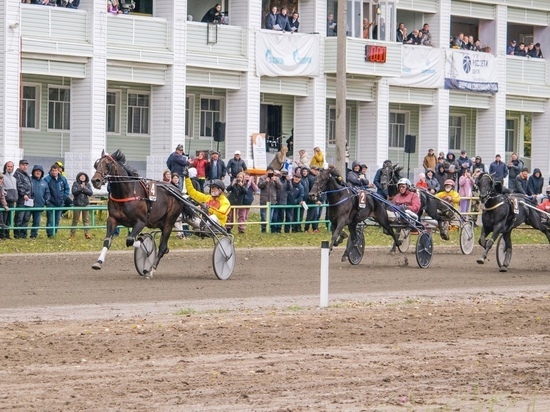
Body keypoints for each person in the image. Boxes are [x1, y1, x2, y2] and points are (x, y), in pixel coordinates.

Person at [44, 163, 69, 238]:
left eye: (56, 170)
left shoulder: (63, 179)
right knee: (50, 220)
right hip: (51, 203)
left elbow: (67, 189)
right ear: (51, 171)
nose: (54, 172)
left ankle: (55, 233)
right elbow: (45, 190)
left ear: (58, 171)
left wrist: (63, 197)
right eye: (53, 170)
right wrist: (47, 200)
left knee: (57, 219)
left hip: (60, 202)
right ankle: (50, 234)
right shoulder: (47, 179)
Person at [258, 166, 281, 233]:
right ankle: (263, 229)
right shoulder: (262, 178)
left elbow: (280, 187)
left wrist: (275, 181)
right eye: (268, 171)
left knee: (270, 216)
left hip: (272, 200)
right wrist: (266, 181)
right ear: (266, 171)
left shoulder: (276, 178)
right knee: (263, 216)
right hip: (264, 200)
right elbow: (259, 186)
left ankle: (269, 228)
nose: (270, 172)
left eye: (271, 171)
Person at [70, 172, 93, 240]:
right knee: (75, 220)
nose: (82, 177)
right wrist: (81, 189)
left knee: (86, 220)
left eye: (84, 176)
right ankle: (72, 234)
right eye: (81, 176)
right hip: (77, 204)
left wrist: (85, 188)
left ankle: (87, 233)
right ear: (78, 177)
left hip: (85, 204)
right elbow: (74, 192)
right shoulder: (75, 184)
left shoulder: (88, 184)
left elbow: (90, 193)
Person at [13, 159, 33, 239]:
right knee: (19, 217)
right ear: (19, 165)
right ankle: (17, 234)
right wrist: (24, 194)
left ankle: (23, 234)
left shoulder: (27, 175)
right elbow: (19, 185)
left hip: (29, 200)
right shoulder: (17, 174)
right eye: (23, 165)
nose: (25, 166)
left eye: (26, 165)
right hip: (22, 199)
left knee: (26, 217)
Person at [30, 165, 50, 239]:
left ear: (42, 173)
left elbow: (47, 193)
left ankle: (33, 235)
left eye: (39, 171)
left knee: (36, 222)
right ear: (33, 172)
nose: (38, 172)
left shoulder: (44, 183)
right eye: (36, 171)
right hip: (28, 205)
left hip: (39, 205)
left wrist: (45, 201)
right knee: (25, 220)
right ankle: (22, 234)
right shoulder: (29, 180)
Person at [1, 161, 17, 239]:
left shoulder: (14, 178)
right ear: (5, 167)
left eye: (11, 166)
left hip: (12, 201)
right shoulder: (3, 177)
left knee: (9, 219)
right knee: (3, 218)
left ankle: (7, 234)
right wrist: (5, 194)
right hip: (5, 200)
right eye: (8, 166)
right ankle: (2, 234)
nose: (10, 168)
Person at [273, 169, 292, 234]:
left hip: (284, 201)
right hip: (276, 200)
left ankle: (279, 228)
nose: (284, 175)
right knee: (275, 216)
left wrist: (289, 181)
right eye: (283, 173)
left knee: (281, 216)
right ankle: (274, 229)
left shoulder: (287, 181)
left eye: (285, 173)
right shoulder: (277, 179)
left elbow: (290, 188)